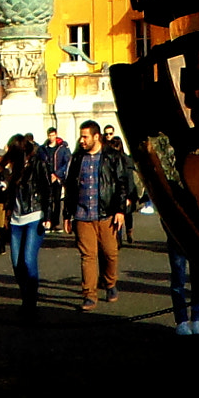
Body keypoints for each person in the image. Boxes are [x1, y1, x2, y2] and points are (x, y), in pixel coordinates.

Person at [60, 120, 128, 311]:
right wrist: (67, 214)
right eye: (81, 137)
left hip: (106, 213)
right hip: (82, 215)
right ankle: (89, 294)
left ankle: (109, 282)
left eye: (85, 136)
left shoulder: (112, 157)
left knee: (110, 253)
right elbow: (71, 187)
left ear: (96, 137)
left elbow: (121, 184)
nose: (82, 140)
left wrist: (120, 210)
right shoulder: (77, 158)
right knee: (88, 256)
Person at [0, 136, 49, 324]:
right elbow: (11, 193)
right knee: (16, 263)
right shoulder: (13, 168)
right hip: (16, 220)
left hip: (34, 216)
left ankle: (31, 301)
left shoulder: (38, 164)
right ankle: (25, 297)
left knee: (28, 260)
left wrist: (50, 216)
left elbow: (48, 190)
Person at [105, 135, 140, 245]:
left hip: (125, 191)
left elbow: (130, 179)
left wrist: (130, 196)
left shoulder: (126, 160)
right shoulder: (113, 159)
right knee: (120, 214)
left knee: (125, 214)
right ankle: (119, 237)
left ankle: (127, 232)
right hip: (116, 192)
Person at [39, 129, 68, 233]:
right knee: (46, 200)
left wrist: (57, 174)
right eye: (49, 135)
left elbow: (67, 162)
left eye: (53, 135)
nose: (51, 137)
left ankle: (55, 223)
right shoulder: (42, 149)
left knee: (56, 201)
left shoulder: (62, 149)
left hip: (57, 179)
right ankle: (47, 221)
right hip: (46, 178)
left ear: (56, 135)